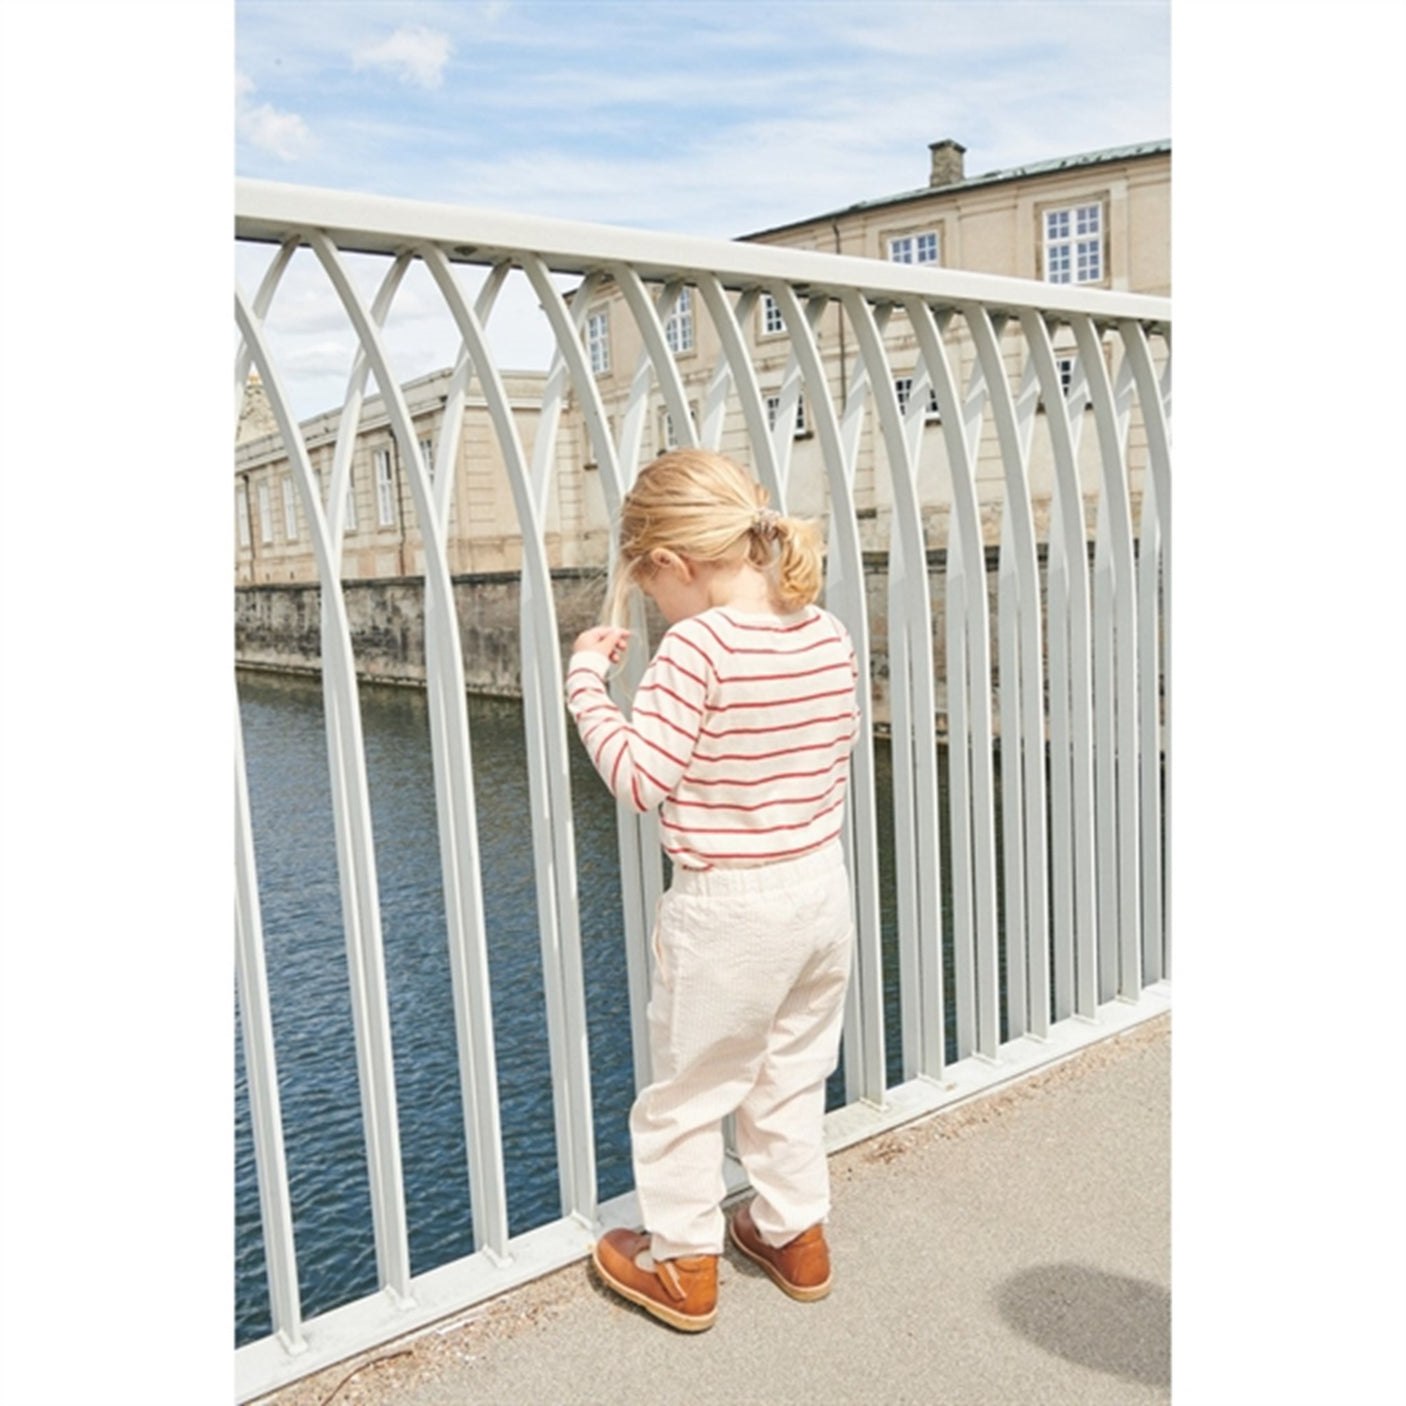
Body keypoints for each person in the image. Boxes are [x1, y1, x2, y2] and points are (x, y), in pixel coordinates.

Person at [565, 447, 860, 1332]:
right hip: (819, 891)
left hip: (728, 904)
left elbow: (642, 778)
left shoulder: (696, 647)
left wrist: (589, 686)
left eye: (651, 587)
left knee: (688, 1093)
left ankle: (682, 1263)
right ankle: (793, 1233)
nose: (657, 607)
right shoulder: (824, 629)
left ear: (675, 564)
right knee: (792, 1073)